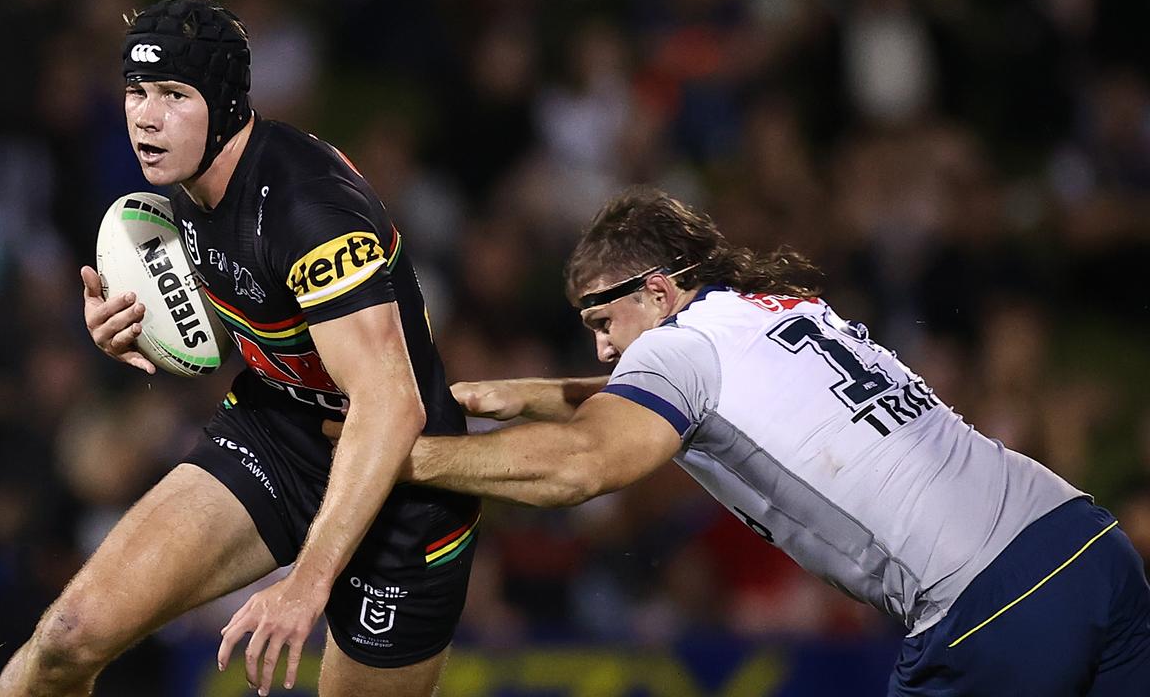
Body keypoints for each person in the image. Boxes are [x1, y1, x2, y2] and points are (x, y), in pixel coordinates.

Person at [341, 187, 1150, 695]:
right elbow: (688, 401)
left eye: (601, 322)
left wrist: (397, 458)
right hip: (1089, 546)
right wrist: (533, 396)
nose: (601, 350)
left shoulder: (678, 350)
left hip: (985, 607)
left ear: (656, 290)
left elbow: (588, 465)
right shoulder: (776, 305)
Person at [0, 0, 479, 697]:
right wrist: (138, 332)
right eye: (135, 91)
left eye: (171, 93)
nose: (145, 118)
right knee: (68, 638)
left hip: (403, 483)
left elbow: (392, 405)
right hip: (276, 434)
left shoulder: (309, 208)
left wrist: (305, 584)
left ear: (223, 104)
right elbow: (250, 319)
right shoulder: (184, 185)